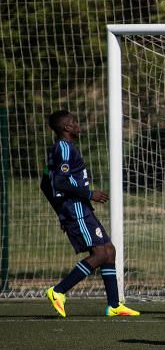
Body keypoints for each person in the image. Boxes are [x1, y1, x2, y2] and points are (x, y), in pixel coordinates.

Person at [40, 111, 140, 318]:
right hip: (75, 207)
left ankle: (114, 305)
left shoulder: (63, 149)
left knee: (109, 250)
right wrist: (89, 193)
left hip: (78, 207)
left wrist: (60, 210)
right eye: (74, 122)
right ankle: (58, 291)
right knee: (100, 254)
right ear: (66, 128)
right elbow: (59, 182)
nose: (78, 125)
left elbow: (45, 183)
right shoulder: (64, 148)